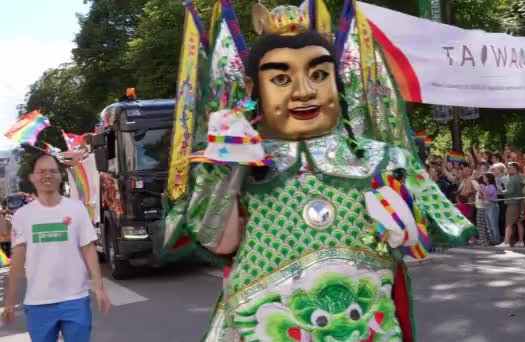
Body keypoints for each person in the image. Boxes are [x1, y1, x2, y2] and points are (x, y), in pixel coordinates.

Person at [160, 3, 474, 341]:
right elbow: (220, 243)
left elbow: (421, 241)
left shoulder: (383, 158)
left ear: (338, 81)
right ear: (252, 89)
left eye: (320, 74)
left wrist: (406, 225)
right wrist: (230, 164)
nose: (305, 91)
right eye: (281, 79)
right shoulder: (234, 162)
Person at [1, 154, 110, 342]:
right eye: (41, 172)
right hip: (38, 303)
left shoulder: (77, 209)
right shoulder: (22, 216)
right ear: (32, 178)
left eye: (52, 171)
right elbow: (17, 261)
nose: (47, 175)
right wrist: (9, 301)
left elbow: (88, 249)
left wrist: (99, 288)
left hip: (75, 299)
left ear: (60, 176)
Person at [497, 162, 525, 248]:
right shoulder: (519, 178)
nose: (508, 170)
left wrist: (502, 191)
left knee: (509, 223)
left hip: (512, 203)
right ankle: (520, 241)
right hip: (518, 203)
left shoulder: (513, 178)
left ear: (515, 169)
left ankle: (506, 242)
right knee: (519, 222)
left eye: (509, 168)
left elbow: (510, 191)